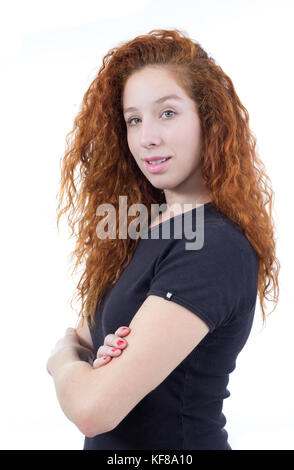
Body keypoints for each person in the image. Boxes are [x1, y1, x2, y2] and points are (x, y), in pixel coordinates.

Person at [47, 29, 280, 450]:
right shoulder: (141, 225)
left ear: (208, 119)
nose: (146, 137)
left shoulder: (213, 246)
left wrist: (59, 359)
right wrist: (89, 357)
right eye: (134, 119)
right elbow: (87, 336)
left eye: (167, 113)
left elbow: (91, 410)